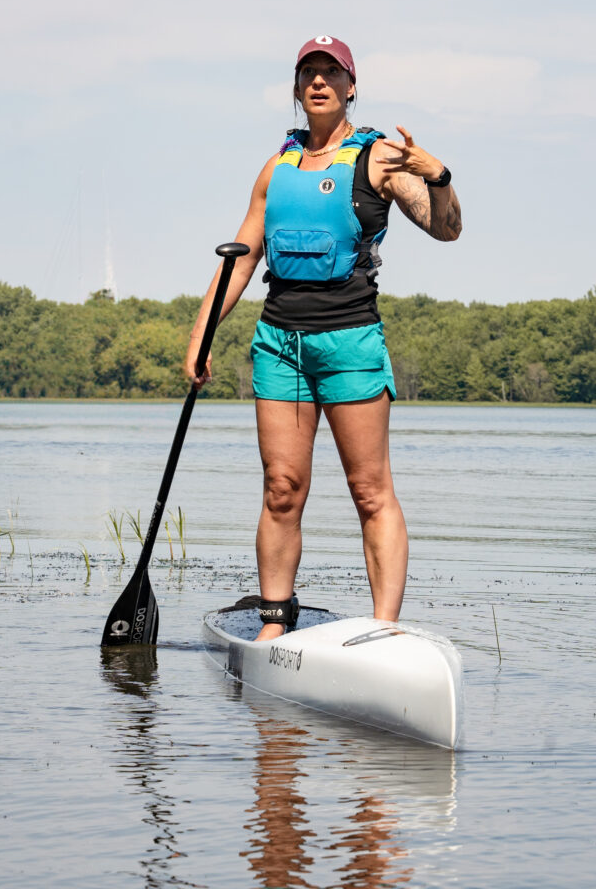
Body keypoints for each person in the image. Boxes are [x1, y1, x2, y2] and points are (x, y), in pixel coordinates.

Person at [185, 35, 463, 641]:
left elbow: (448, 231)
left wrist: (438, 175)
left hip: (350, 340)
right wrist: (202, 335)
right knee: (282, 489)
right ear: (296, 89)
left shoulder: (381, 158)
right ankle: (274, 626)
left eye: (330, 73)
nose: (318, 82)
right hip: (280, 341)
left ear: (350, 86)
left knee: (369, 490)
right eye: (308, 73)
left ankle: (384, 632)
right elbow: (241, 256)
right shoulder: (275, 168)